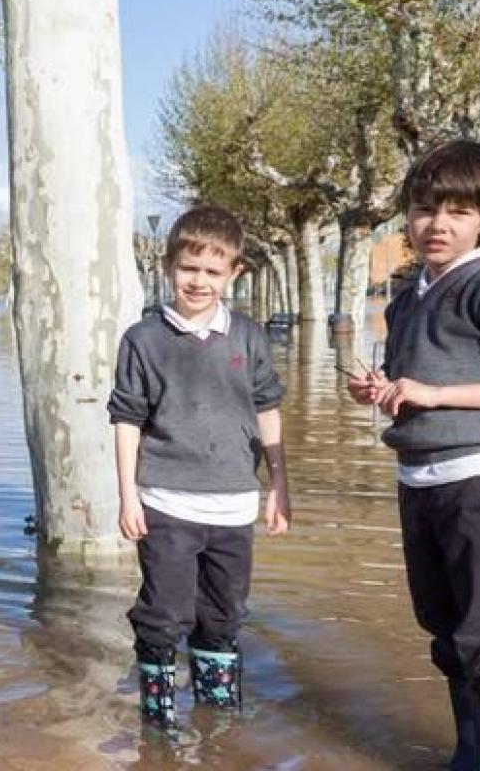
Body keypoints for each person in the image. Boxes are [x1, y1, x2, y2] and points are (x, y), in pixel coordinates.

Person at [347, 140, 480, 771]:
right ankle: (470, 757)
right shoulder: (407, 299)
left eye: (459, 211)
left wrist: (435, 393)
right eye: (424, 208)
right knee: (447, 629)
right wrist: (385, 391)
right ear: (407, 216)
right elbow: (414, 389)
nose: (437, 224)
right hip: (419, 485)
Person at [108, 205, 291, 733]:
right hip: (166, 502)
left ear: (233, 274)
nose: (199, 281)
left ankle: (219, 723)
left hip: (235, 506)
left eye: (213, 272)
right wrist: (127, 495)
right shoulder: (142, 339)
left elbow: (268, 409)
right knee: (163, 615)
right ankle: (158, 723)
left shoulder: (250, 337)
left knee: (224, 617)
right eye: (190, 268)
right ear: (169, 266)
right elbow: (127, 420)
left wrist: (279, 484)